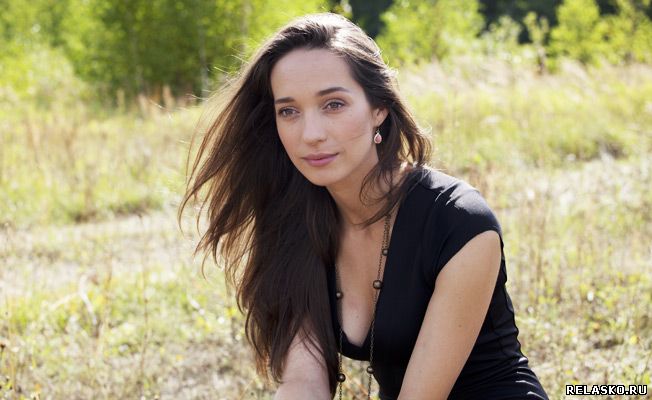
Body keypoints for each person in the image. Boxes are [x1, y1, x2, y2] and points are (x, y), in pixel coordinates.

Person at [178, 12, 549, 400]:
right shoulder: (295, 222)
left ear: (379, 108)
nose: (311, 134)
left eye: (333, 104)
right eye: (288, 111)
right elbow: (304, 382)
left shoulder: (457, 222)